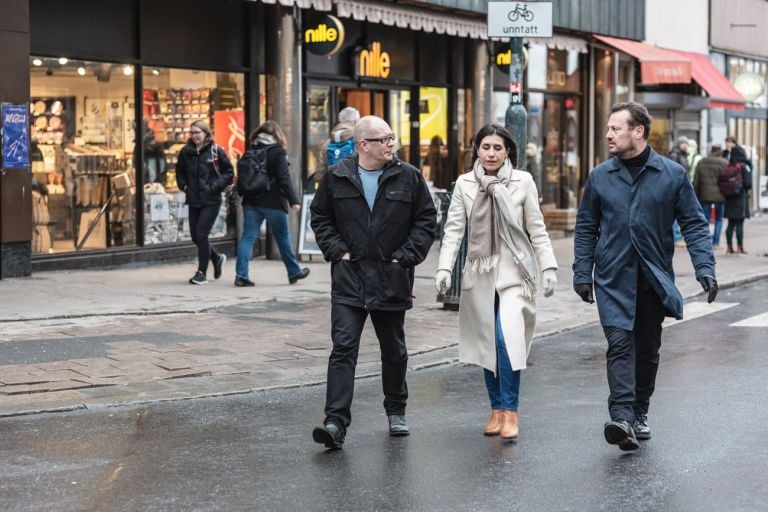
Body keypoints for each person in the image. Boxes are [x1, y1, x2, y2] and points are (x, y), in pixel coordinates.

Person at [573, 102, 717, 451]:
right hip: (613, 277)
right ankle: (621, 416)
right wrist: (582, 272)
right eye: (608, 128)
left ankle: (639, 412)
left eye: (615, 128)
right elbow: (586, 227)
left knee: (648, 350)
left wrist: (704, 267)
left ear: (637, 131)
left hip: (653, 277)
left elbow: (695, 224)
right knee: (619, 345)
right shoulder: (601, 176)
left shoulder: (671, 174)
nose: (608, 134)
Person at [310, 115, 436, 449]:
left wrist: (405, 257)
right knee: (343, 348)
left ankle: (396, 410)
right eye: (384, 139)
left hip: (390, 277)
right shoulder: (336, 177)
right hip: (349, 280)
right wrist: (337, 251)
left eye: (392, 138)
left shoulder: (408, 177)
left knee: (393, 349)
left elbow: (426, 220)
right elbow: (320, 217)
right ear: (363, 144)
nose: (391, 144)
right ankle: (335, 422)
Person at [435, 124, 558, 440]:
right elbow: (453, 231)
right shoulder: (464, 184)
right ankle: (496, 409)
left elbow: (537, 229)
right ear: (477, 149)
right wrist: (444, 269)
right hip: (479, 274)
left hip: (515, 275)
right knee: (486, 344)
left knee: (508, 340)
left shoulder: (523, 181)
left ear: (508, 152)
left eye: (497, 148)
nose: (491, 153)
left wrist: (548, 268)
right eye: (485, 147)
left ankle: (511, 410)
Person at [234, 121, 310, 287]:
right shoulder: (277, 152)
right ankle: (294, 272)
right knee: (282, 237)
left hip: (251, 201)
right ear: (277, 135)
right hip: (273, 202)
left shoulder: (251, 150)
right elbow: (284, 178)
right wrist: (293, 201)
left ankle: (241, 275)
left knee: (247, 238)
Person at [175, 120, 233, 285]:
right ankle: (216, 257)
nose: (194, 136)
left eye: (197, 133)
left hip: (211, 200)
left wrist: (214, 187)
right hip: (193, 199)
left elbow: (229, 172)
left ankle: (201, 273)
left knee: (201, 234)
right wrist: (184, 185)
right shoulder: (186, 152)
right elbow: (179, 171)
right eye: (192, 133)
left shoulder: (216, 151)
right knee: (195, 236)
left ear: (206, 133)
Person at [309, 106, 360, 192]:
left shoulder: (328, 143)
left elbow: (320, 173)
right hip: (354, 189)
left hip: (333, 189)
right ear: (355, 121)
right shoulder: (360, 140)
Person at [693, 145, 727, 249]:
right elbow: (727, 179)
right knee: (719, 219)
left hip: (705, 195)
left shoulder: (702, 162)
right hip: (720, 195)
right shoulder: (724, 162)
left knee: (705, 219)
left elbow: (696, 180)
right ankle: (716, 243)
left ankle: (705, 242)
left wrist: (696, 195)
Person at [668, 136, 690, 247]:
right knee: (674, 214)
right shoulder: (675, 155)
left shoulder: (682, 155)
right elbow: (672, 173)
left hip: (681, 187)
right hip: (675, 188)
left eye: (686, 143)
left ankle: (678, 236)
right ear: (679, 144)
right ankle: (676, 237)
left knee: (679, 213)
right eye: (684, 143)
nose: (686, 145)